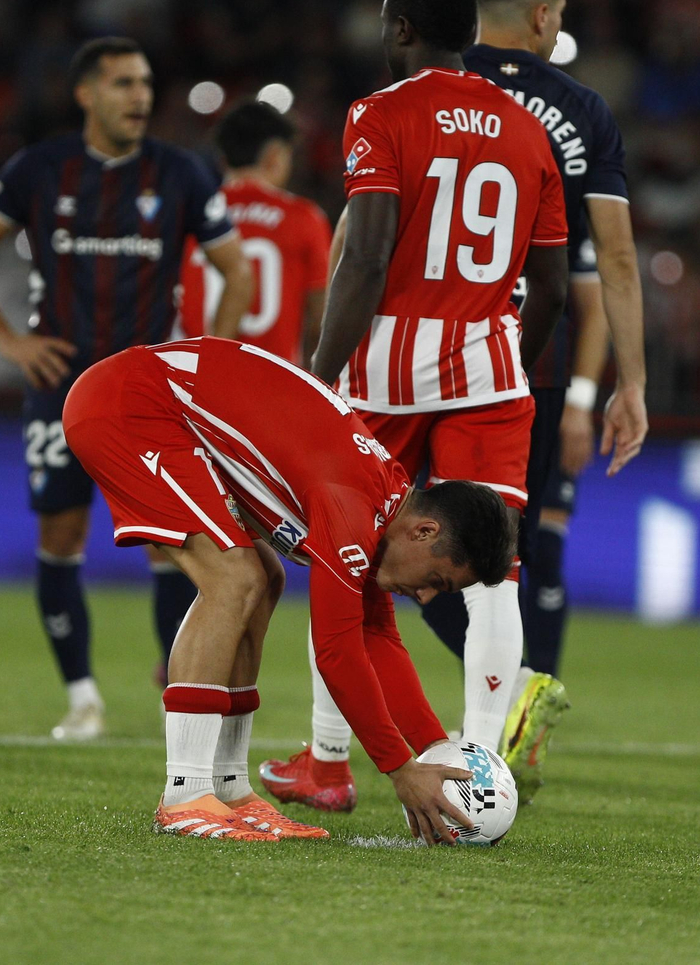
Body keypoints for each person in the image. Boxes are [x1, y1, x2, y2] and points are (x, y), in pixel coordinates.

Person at [260, 0, 576, 813]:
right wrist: (507, 350)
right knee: (495, 574)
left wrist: (318, 379)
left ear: (401, 28)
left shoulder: (381, 114)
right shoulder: (524, 126)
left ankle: (328, 763)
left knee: (356, 559)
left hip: (386, 371)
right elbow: (550, 283)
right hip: (489, 366)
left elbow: (363, 255)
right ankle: (482, 768)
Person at [64, 336, 510, 842]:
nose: (426, 597)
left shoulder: (384, 499)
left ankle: (229, 789)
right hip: (130, 403)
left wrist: (434, 751)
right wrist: (400, 769)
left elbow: (377, 637)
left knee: (265, 577)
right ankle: (185, 793)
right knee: (234, 578)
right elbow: (337, 652)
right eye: (436, 581)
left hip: (160, 404)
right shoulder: (351, 504)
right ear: (425, 532)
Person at [0, 38, 252, 740]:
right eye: (122, 83)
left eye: (145, 83)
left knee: (169, 541)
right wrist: (4, 338)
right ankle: (82, 698)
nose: (139, 96)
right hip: (59, 383)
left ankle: (178, 680)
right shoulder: (40, 169)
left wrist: (204, 361)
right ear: (86, 94)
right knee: (61, 531)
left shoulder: (181, 171)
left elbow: (236, 270)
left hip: (148, 392)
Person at [436, 0, 649, 801]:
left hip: (422, 352)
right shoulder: (582, 110)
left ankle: (337, 754)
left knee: (388, 547)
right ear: (545, 14)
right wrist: (626, 384)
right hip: (529, 361)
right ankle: (500, 722)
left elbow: (369, 238)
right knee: (508, 557)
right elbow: (616, 263)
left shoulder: (426, 95)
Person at [177, 100, 331, 367]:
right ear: (274, 155)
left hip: (194, 381)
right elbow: (321, 315)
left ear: (222, 158)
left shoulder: (189, 215)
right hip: (273, 383)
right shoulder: (304, 218)